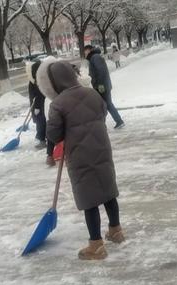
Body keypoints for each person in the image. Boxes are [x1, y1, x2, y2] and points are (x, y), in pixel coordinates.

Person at [38, 58, 125, 260]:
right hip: (101, 149)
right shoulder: (92, 93)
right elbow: (102, 114)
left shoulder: (58, 104)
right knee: (108, 191)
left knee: (90, 199)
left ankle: (96, 245)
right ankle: (116, 231)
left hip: (80, 155)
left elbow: (54, 136)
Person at [84, 45, 124, 129]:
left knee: (103, 105)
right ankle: (117, 121)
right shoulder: (94, 57)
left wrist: (100, 85)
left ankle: (106, 125)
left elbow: (101, 71)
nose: (85, 53)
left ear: (90, 50)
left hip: (102, 86)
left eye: (86, 51)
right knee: (106, 105)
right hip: (102, 86)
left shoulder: (95, 57)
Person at [27, 60, 47, 150]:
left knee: (42, 121)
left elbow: (38, 94)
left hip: (41, 105)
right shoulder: (34, 80)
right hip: (39, 105)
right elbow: (34, 95)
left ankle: (42, 139)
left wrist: (37, 107)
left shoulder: (39, 80)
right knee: (41, 121)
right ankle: (42, 137)